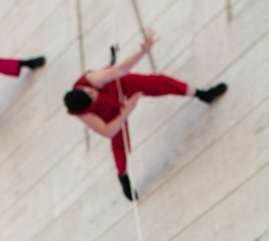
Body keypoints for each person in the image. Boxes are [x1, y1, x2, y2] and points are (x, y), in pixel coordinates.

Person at [64, 28, 227, 200]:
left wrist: (143, 51)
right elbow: (107, 131)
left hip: (118, 86)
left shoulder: (91, 80)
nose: (94, 94)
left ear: (83, 88)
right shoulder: (83, 113)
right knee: (120, 145)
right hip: (110, 113)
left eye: (91, 92)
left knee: (158, 82)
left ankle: (201, 94)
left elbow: (119, 71)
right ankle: (123, 176)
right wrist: (126, 111)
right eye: (92, 98)